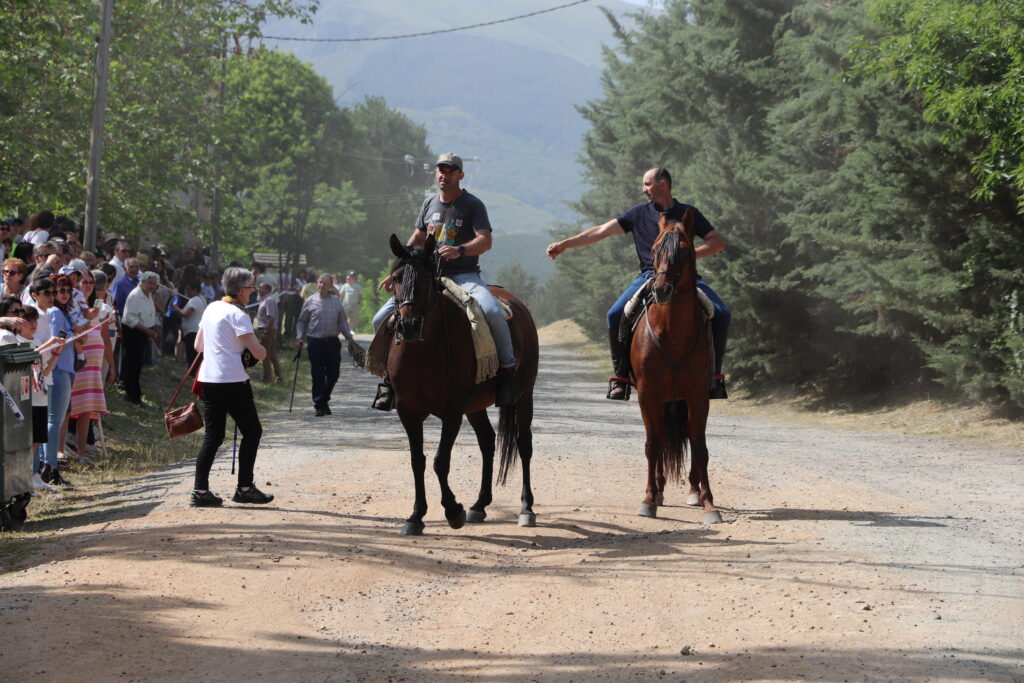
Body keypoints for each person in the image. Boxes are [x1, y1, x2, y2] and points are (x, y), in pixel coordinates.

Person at [547, 167, 732, 400]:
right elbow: (601, 231)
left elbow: (716, 242)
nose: (644, 189)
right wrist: (565, 244)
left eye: (647, 184)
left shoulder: (688, 213)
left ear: (663, 184)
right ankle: (621, 378)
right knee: (615, 315)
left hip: (686, 278)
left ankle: (714, 378)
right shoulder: (637, 214)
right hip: (649, 276)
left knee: (722, 313)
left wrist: (689, 256)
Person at [371, 153, 520, 409]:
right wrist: (401, 269)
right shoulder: (429, 203)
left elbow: (485, 240)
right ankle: (388, 380)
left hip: (464, 275)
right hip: (427, 275)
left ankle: (507, 374)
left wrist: (459, 250)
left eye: (450, 171)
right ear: (436, 174)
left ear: (460, 175)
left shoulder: (473, 205)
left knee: (493, 312)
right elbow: (418, 237)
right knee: (379, 318)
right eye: (441, 170)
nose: (444, 175)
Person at [190, 267, 272, 507]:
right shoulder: (239, 315)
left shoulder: (212, 307)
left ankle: (200, 490)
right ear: (242, 290)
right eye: (251, 287)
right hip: (233, 381)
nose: (253, 292)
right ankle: (245, 487)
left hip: (209, 380)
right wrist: (258, 350)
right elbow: (259, 353)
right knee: (252, 431)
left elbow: (198, 346)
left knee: (212, 437)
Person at [67, 269, 116, 463]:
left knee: (87, 407)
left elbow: (105, 336)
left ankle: (81, 453)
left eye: (90, 282)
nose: (87, 285)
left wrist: (112, 365)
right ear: (77, 284)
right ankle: (63, 448)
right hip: (78, 360)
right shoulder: (72, 305)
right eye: (84, 282)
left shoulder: (100, 307)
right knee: (70, 406)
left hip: (95, 363)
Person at [296, 273, 355, 417]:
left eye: (325, 283)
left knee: (334, 374)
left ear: (330, 286)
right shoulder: (310, 301)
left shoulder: (336, 301)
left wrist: (349, 337)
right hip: (315, 342)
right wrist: (300, 337)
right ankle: (319, 404)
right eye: (320, 282)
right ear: (317, 283)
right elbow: (302, 321)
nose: (322, 285)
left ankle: (324, 399)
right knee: (318, 374)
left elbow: (342, 322)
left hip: (332, 342)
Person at [121, 271, 160, 404]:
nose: (152, 286)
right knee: (133, 363)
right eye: (150, 283)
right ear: (142, 282)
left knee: (137, 363)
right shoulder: (136, 295)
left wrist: (150, 330)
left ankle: (133, 391)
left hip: (143, 332)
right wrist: (147, 331)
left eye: (154, 284)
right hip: (134, 331)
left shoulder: (148, 295)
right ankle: (132, 394)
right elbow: (129, 318)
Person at [254, 281, 282, 382]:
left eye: (262, 288)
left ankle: (267, 377)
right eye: (259, 288)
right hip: (269, 329)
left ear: (268, 290)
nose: (259, 290)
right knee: (272, 354)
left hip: (267, 330)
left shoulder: (269, 300)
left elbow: (271, 317)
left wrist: (266, 331)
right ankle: (278, 376)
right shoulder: (265, 300)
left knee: (265, 354)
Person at [174, 280, 206, 366]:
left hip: (193, 332)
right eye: (186, 290)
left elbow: (185, 314)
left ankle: (193, 374)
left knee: (192, 355)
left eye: (189, 290)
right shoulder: (200, 298)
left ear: (195, 290)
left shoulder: (195, 300)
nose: (186, 292)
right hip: (194, 331)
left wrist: (176, 308)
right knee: (193, 355)